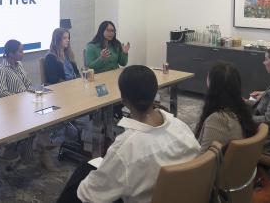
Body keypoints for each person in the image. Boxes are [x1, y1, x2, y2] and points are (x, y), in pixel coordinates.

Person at [57, 65, 200, 203]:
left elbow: (88, 195)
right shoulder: (182, 127)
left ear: (124, 100)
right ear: (155, 92)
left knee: (83, 172)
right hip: (186, 196)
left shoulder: (126, 148)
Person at [0, 39, 57, 170]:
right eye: (20, 51)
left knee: (48, 111)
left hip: (26, 104)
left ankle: (36, 150)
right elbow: (1, 93)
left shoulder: (20, 65)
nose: (23, 53)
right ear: (11, 53)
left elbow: (27, 85)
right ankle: (42, 149)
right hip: (13, 110)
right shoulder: (1, 70)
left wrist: (38, 91)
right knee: (38, 120)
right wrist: (21, 98)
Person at [195, 62, 258, 153]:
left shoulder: (218, 119)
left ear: (211, 84)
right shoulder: (240, 110)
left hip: (217, 165)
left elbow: (204, 160)